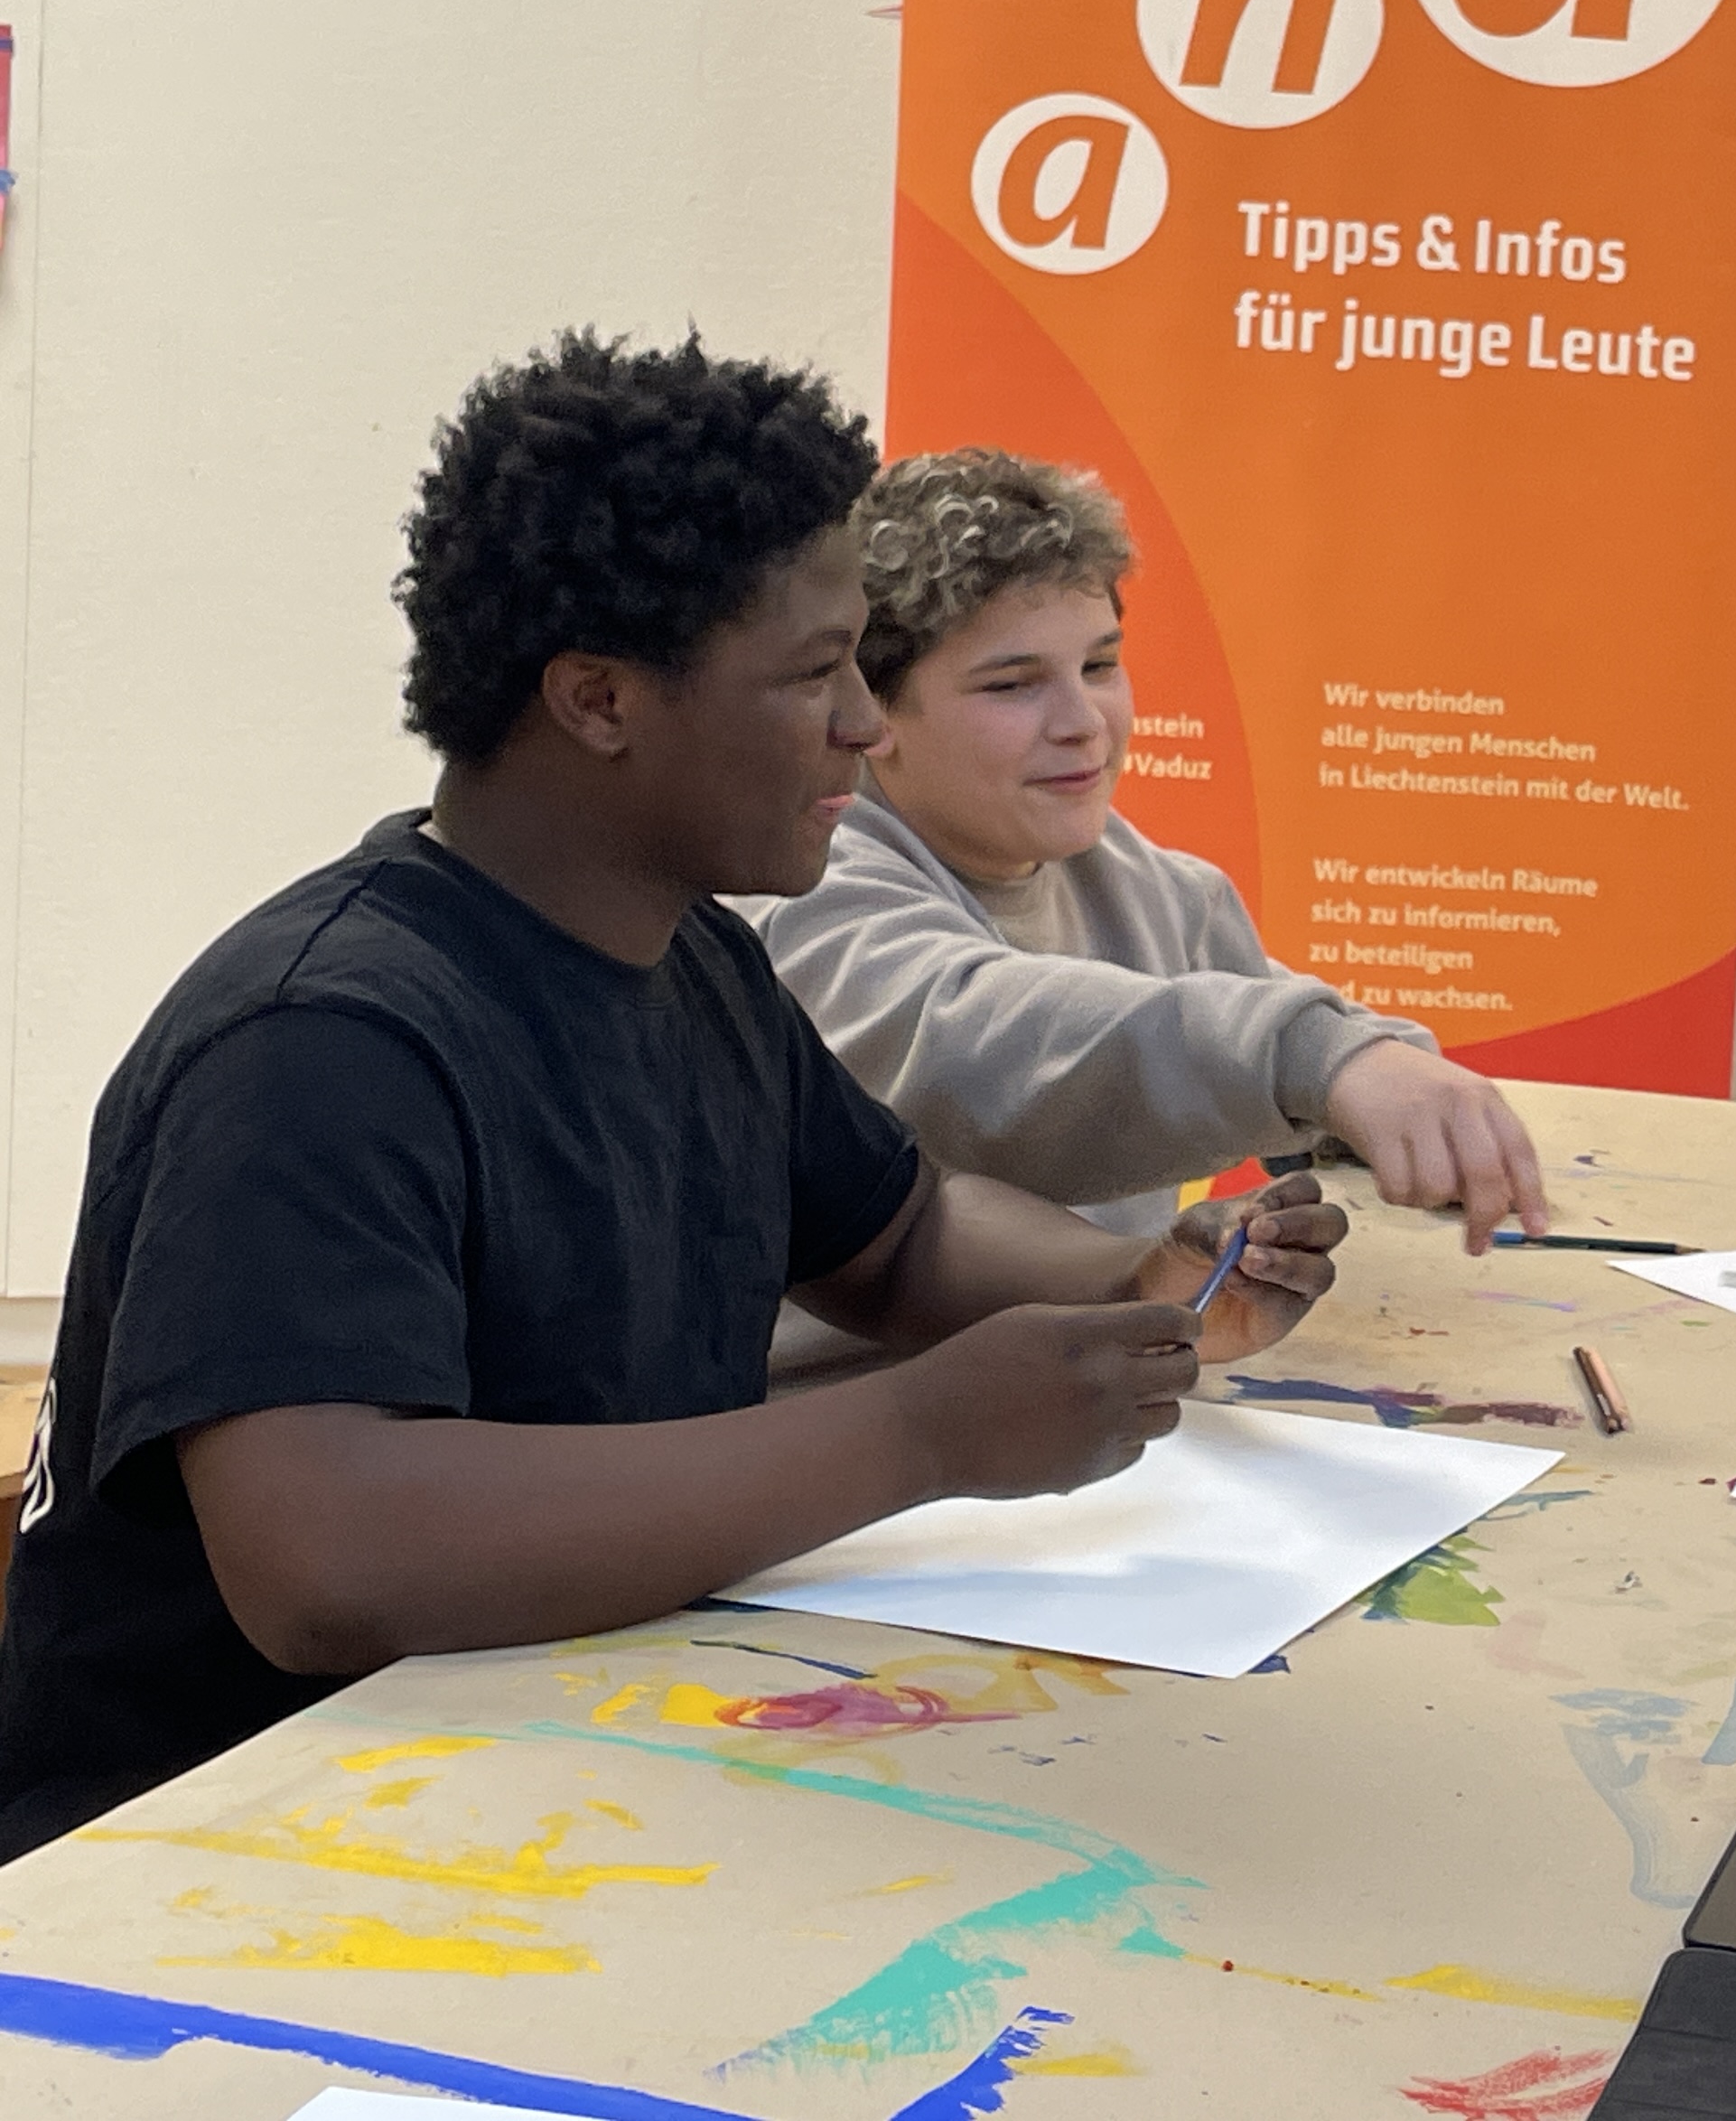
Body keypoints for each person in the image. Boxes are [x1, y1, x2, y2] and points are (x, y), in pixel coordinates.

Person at [0, 336, 1347, 1860]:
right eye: (813, 672)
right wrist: (920, 1433)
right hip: (215, 1862)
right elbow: (331, 1558)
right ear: (598, 698)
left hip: (550, 1774)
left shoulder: (690, 956)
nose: (864, 723)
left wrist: (1138, 1281)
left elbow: (901, 1235)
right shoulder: (321, 1040)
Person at [745, 448, 1549, 1247]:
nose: (1082, 723)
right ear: (872, 711)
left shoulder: (1141, 882)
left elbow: (1260, 1020)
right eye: (1012, 684)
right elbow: (983, 1046)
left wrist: (1379, 1082)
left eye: (1100, 665)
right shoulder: (801, 889)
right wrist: (1313, 1060)